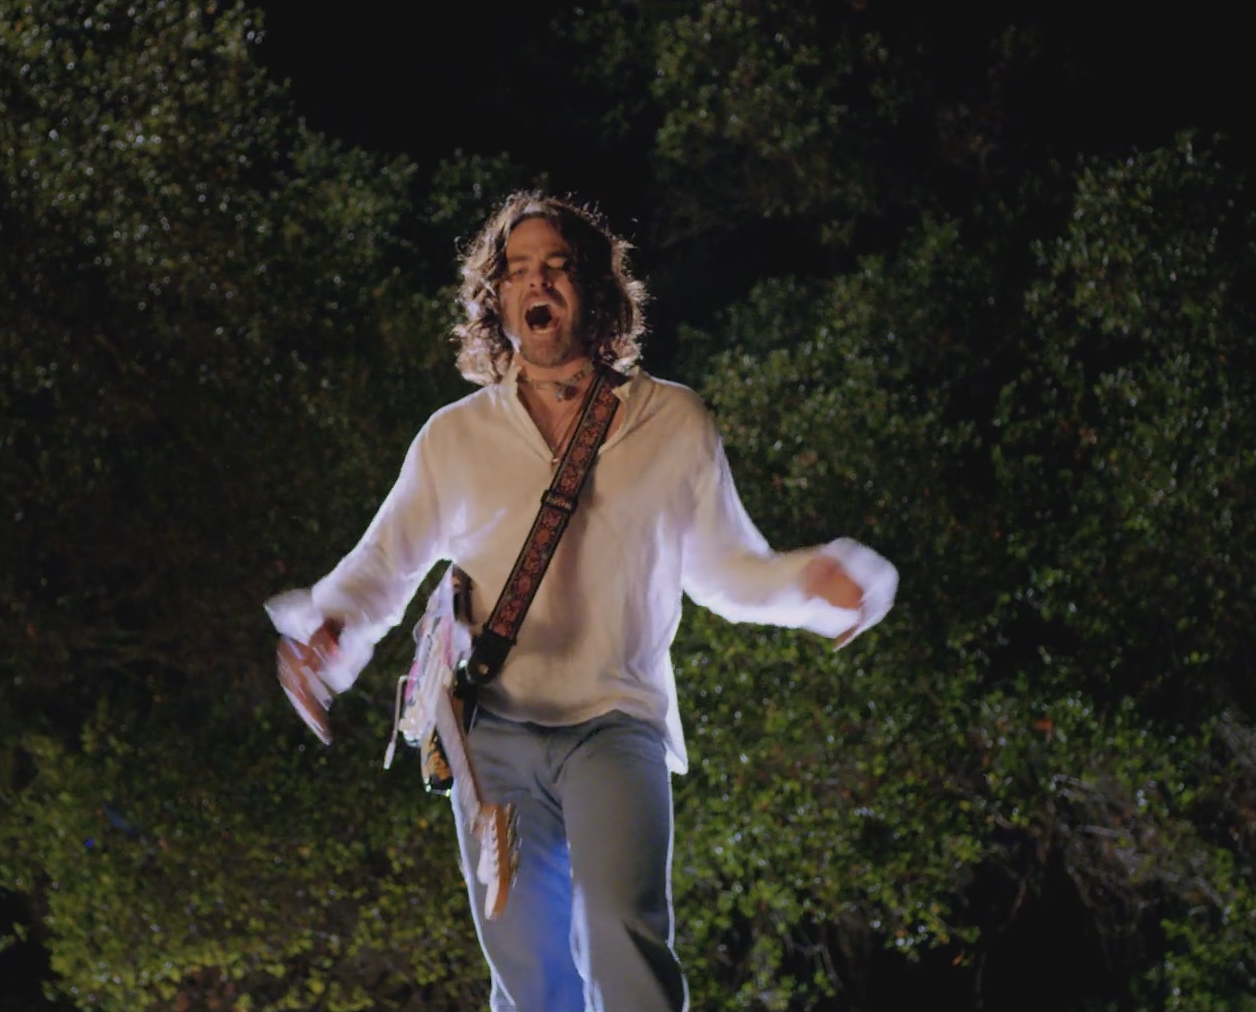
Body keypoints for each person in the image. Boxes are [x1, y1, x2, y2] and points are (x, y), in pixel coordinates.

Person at [266, 191, 897, 1012]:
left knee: (621, 934)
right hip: (493, 735)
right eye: (518, 270)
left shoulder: (670, 421)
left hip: (616, 722)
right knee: (530, 981)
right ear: (496, 300)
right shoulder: (455, 437)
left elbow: (729, 569)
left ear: (595, 291)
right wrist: (328, 631)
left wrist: (815, 584)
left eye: (559, 267)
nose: (539, 282)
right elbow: (383, 564)